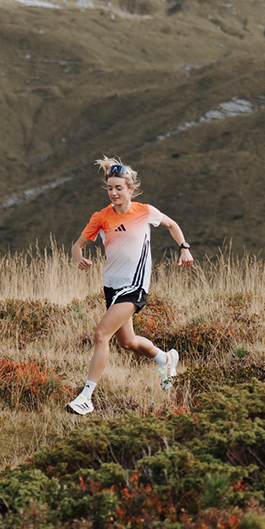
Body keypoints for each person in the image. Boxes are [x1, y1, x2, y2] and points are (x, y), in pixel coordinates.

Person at [66, 156, 194, 415]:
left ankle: (86, 397)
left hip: (134, 286)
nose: (113, 193)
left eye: (118, 188)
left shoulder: (144, 211)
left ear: (130, 190)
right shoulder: (101, 217)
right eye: (110, 188)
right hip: (111, 287)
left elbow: (172, 224)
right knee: (128, 342)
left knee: (101, 335)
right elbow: (77, 246)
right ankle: (165, 358)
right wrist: (79, 259)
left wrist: (184, 248)